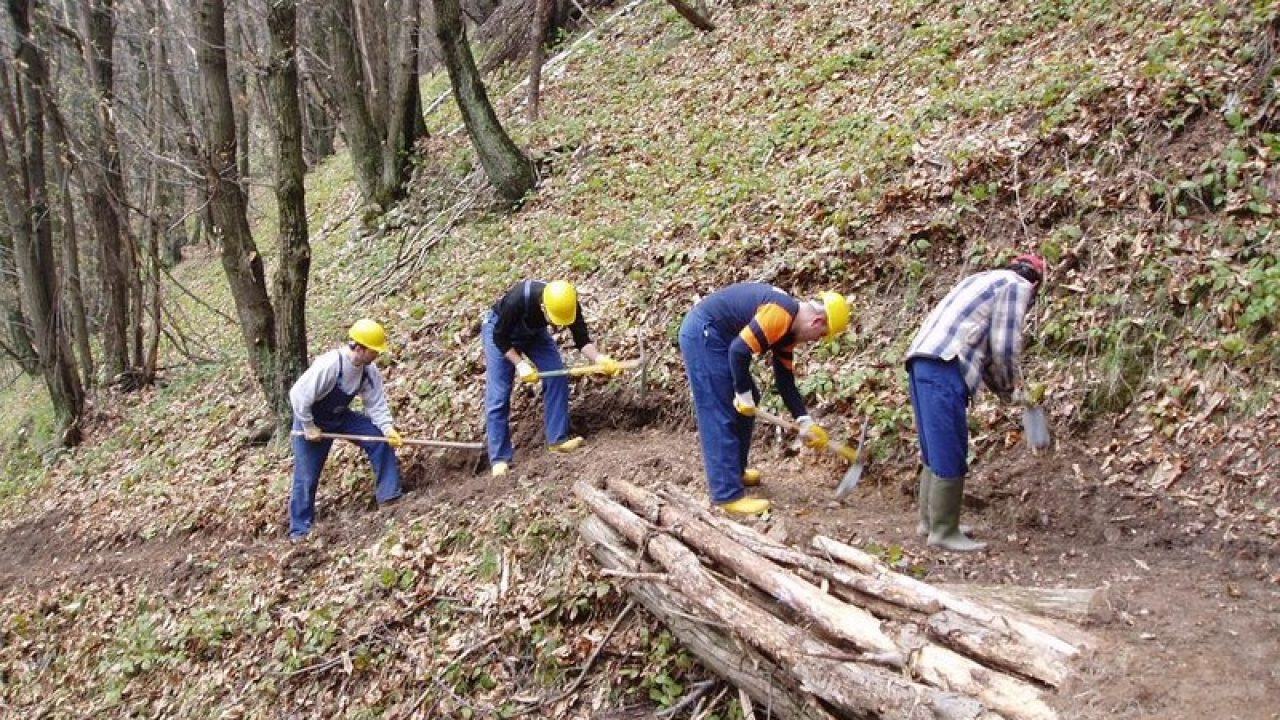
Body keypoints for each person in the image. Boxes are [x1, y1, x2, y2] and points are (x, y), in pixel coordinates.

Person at [905, 253, 1047, 552]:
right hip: (945, 365)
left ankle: (930, 522)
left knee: (934, 445)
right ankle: (944, 531)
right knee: (950, 446)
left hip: (921, 359)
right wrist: (1010, 387)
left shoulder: (982, 279)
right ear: (1036, 284)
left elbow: (985, 348)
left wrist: (1004, 390)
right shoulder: (1016, 286)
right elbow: (1004, 347)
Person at [679, 283, 851, 515]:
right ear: (817, 322)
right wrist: (742, 395)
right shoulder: (780, 313)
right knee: (720, 407)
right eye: (821, 335)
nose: (815, 340)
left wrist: (805, 421)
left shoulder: (788, 332)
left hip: (722, 338)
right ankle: (727, 494)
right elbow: (738, 351)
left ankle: (735, 472)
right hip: (704, 334)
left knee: (748, 400)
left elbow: (784, 381)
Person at [482, 280, 620, 477]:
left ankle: (558, 439)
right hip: (500, 332)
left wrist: (599, 358)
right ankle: (499, 459)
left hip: (534, 334)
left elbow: (581, 340)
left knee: (557, 374)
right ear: (543, 307)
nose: (558, 325)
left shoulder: (568, 303)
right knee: (499, 394)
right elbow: (499, 338)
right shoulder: (518, 299)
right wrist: (520, 364)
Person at [289, 319, 404, 540]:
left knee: (378, 440)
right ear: (359, 348)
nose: (377, 355)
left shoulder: (369, 371)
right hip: (311, 420)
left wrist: (388, 429)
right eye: (374, 350)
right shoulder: (330, 365)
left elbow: (376, 403)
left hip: (340, 416)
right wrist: (309, 426)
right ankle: (300, 531)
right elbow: (298, 396)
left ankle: (390, 496)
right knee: (306, 476)